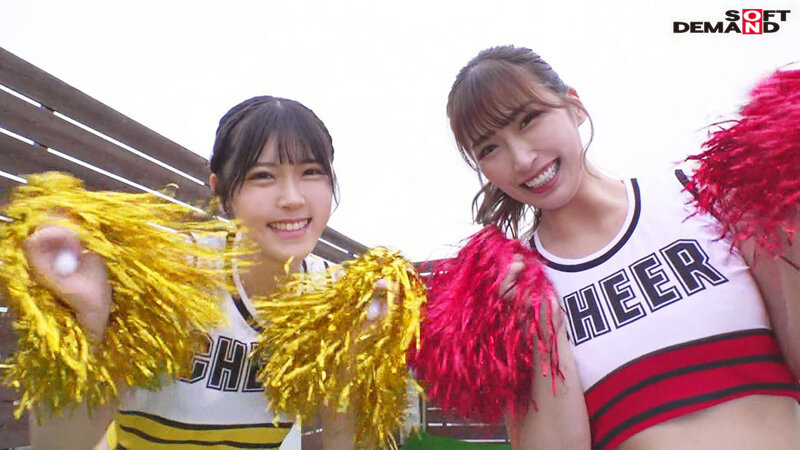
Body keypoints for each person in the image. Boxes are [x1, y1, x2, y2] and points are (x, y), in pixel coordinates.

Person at [446, 45, 800, 449]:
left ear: (574, 106)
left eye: (528, 120)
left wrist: (788, 222)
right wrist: (541, 332)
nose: (522, 159)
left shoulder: (703, 196)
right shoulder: (516, 288)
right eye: (489, 148)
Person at [24, 96, 357, 449]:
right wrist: (90, 322)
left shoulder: (336, 298)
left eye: (311, 172)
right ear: (222, 191)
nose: (292, 198)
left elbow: (341, 434)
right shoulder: (170, 274)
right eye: (263, 176)